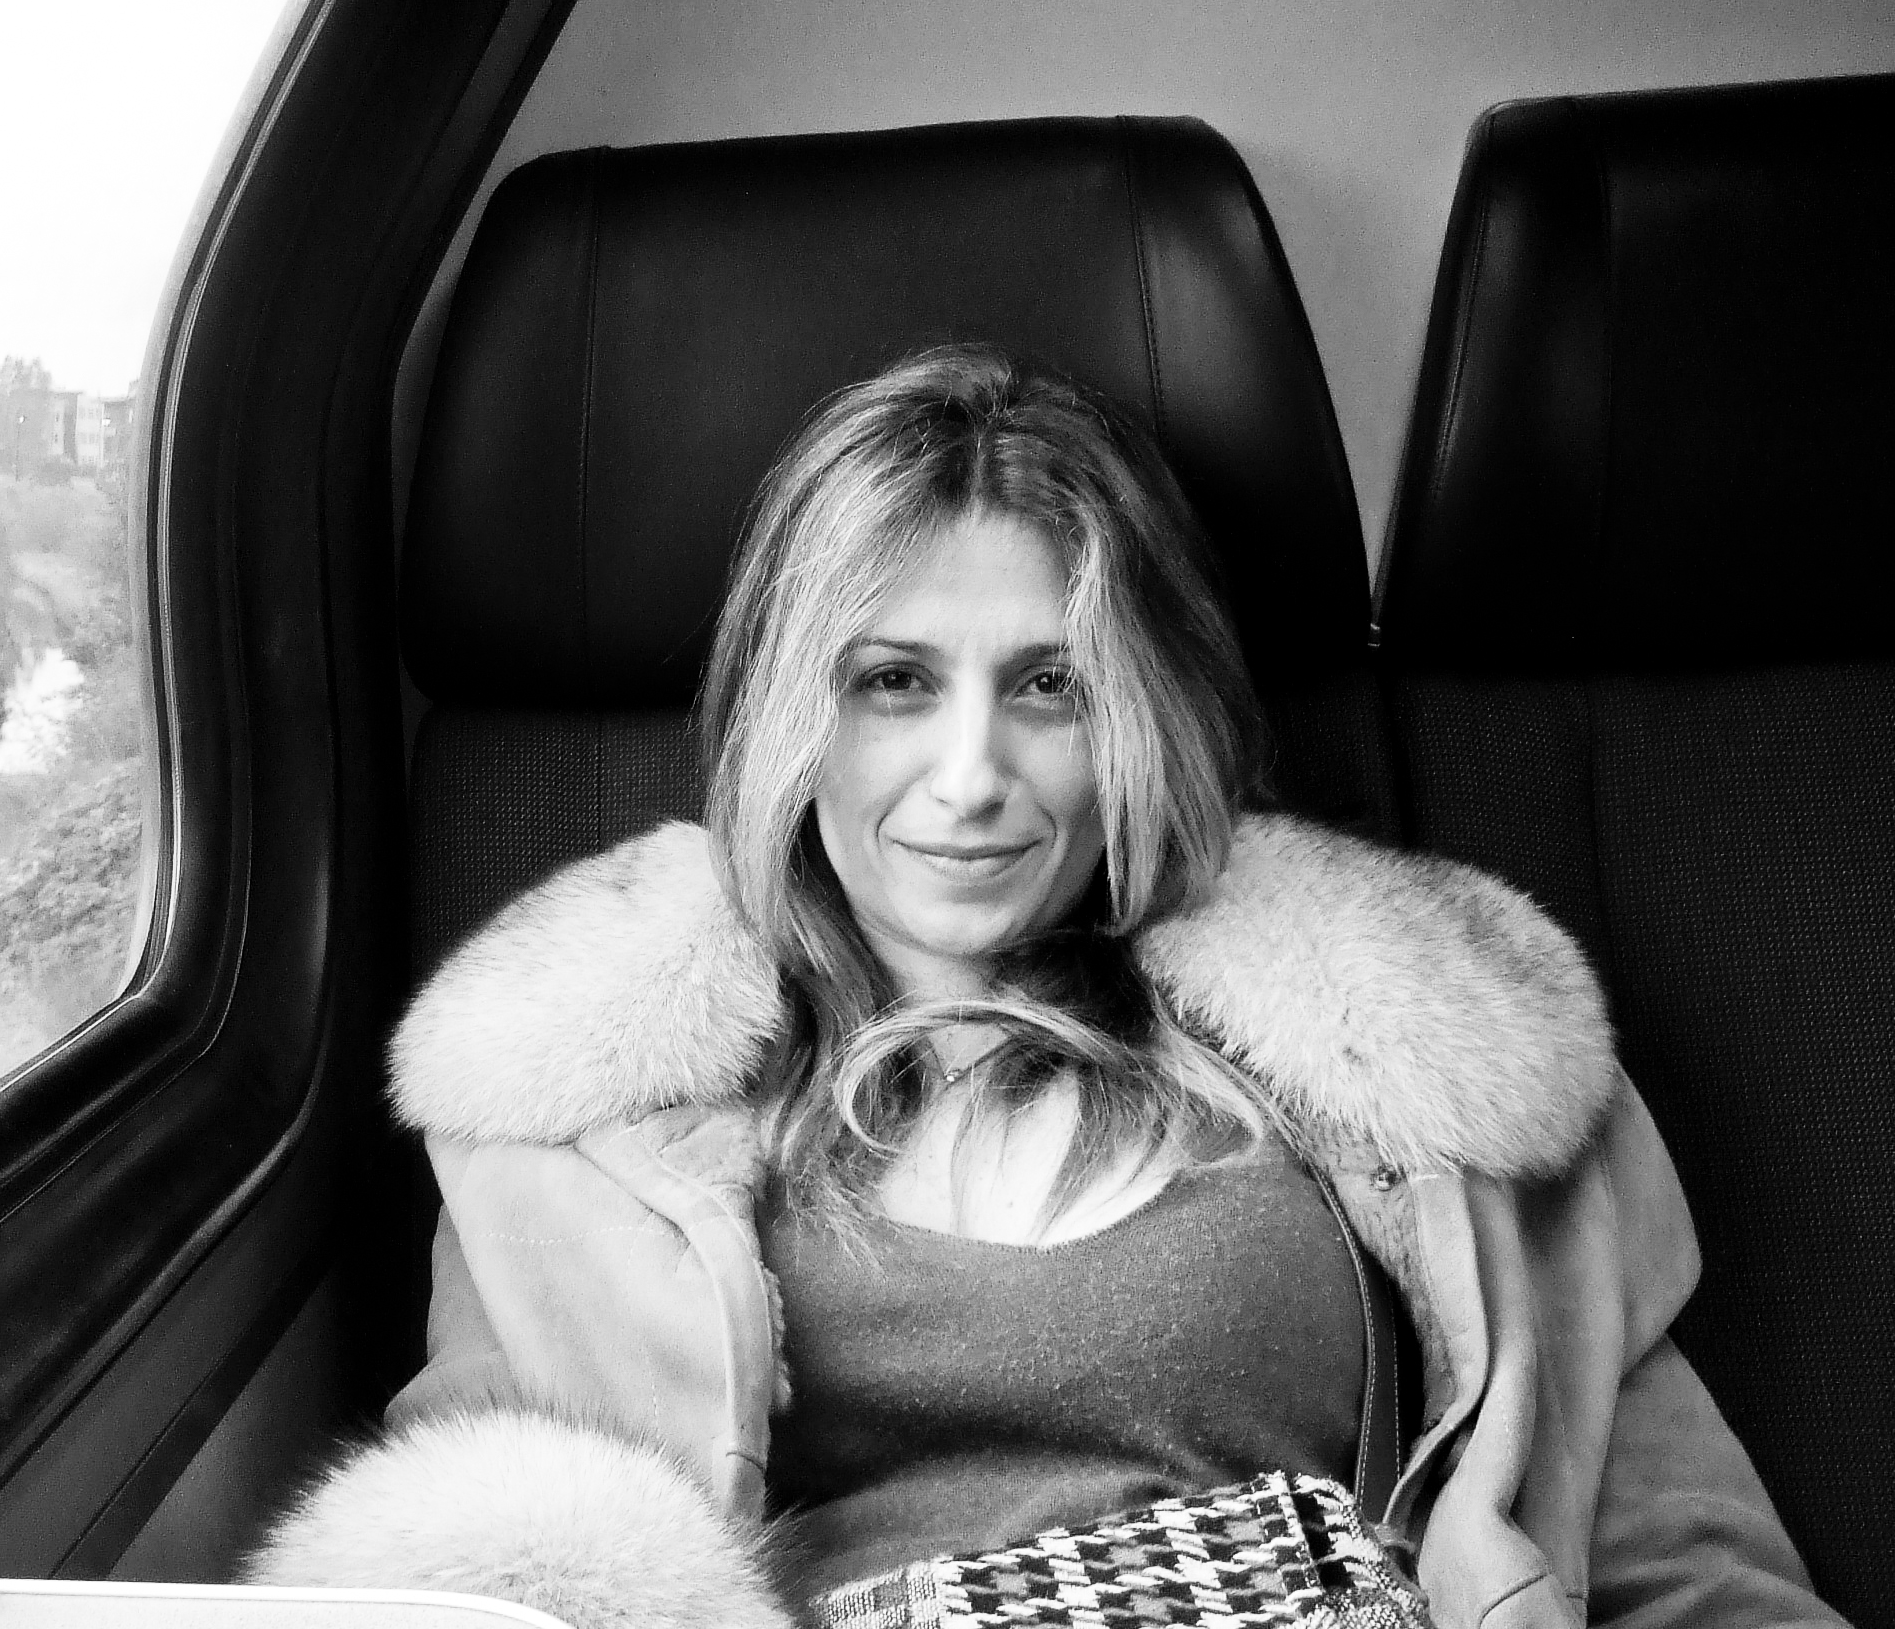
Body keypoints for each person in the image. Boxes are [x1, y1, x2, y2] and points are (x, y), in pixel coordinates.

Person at [248, 346, 1839, 1629]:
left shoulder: (1422, 1070)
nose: (971, 779)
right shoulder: (575, 1127)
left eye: (1050, 687)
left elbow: (1676, 1557)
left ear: (1142, 715)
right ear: (791, 720)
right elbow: (465, 1571)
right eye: (893, 684)